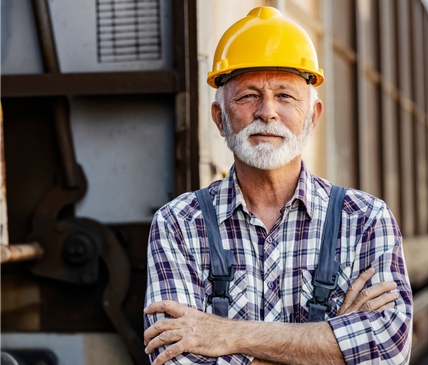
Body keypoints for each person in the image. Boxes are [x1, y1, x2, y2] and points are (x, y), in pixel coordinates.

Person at [143, 6, 412, 365]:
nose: (267, 111)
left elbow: (387, 350)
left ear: (311, 117)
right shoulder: (178, 223)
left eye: (285, 96)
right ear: (220, 119)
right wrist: (330, 343)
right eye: (248, 95)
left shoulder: (365, 219)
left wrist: (228, 334)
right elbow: (174, 360)